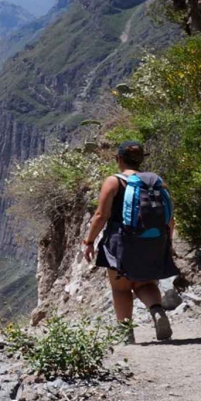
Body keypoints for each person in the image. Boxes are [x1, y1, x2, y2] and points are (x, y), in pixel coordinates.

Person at [82, 140, 175, 343]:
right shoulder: (157, 181)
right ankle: (157, 311)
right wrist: (168, 243)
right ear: (142, 159)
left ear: (119, 159)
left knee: (121, 288)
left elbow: (101, 215)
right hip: (154, 240)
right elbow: (169, 217)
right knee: (146, 283)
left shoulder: (114, 181)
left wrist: (89, 241)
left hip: (121, 241)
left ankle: (126, 333)